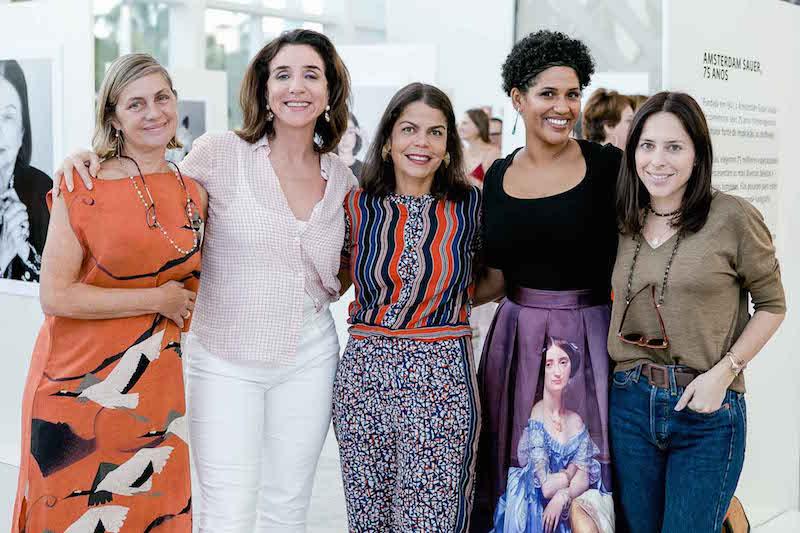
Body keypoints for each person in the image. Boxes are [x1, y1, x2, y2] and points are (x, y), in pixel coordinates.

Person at [58, 29, 357, 533]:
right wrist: (92, 158)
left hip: (310, 355)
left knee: (288, 508)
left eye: (311, 75)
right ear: (264, 89)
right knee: (226, 512)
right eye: (282, 75)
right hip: (224, 359)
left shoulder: (344, 179)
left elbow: (346, 267)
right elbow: (151, 185)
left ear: (329, 92)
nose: (296, 87)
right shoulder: (220, 153)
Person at [13, 53, 207, 533]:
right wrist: (155, 300)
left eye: (162, 98)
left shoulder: (194, 192)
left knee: (150, 515)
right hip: (75, 388)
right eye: (135, 104)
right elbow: (55, 295)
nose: (153, 112)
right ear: (114, 118)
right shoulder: (82, 184)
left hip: (156, 391)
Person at [609, 91, 785, 532]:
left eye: (674, 147)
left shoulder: (733, 217)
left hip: (707, 409)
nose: (658, 161)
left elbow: (772, 305)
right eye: (647, 146)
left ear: (697, 153)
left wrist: (724, 373)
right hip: (630, 405)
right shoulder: (623, 218)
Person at [471, 30, 621, 532]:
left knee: (586, 472)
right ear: (518, 98)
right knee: (519, 469)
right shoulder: (496, 176)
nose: (563, 107)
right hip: (516, 342)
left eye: (572, 94)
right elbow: (495, 278)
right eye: (548, 93)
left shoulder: (608, 167)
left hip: (589, 337)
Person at [333, 82, 481, 532]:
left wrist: (450, 301)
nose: (422, 142)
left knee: (429, 520)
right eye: (409, 129)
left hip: (440, 378)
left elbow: (494, 276)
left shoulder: (471, 205)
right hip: (365, 378)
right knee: (368, 520)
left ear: (449, 146)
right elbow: (335, 276)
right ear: (388, 141)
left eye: (436, 132)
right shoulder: (357, 205)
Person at [493, 337, 613, 533]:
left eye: (563, 362)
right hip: (534, 506)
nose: (557, 372)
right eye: (549, 364)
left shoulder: (576, 420)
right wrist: (569, 473)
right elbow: (547, 488)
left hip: (564, 504)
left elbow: (583, 478)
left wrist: (563, 495)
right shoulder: (537, 415)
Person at [0, 59, 52, 282]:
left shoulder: (43, 191)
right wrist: (3, 255)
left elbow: (61, 287)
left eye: (8, 116)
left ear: (22, 131)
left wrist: (25, 252)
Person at [459, 107, 501, 184]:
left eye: (464, 123)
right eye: (460, 123)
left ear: (479, 126)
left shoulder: (493, 153)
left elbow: (493, 185)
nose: (460, 127)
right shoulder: (461, 153)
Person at [335, 111, 365, 179]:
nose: (345, 138)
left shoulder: (365, 170)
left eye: (350, 132)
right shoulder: (326, 168)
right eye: (341, 132)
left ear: (356, 134)